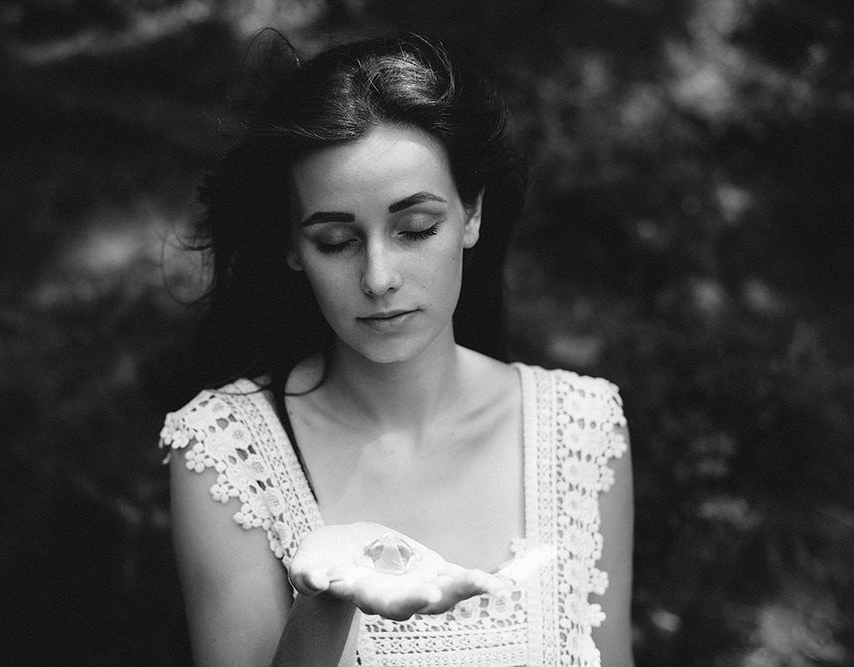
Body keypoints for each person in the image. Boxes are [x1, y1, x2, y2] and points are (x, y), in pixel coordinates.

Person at [160, 33, 633, 666]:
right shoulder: (225, 453)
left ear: (470, 215)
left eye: (415, 229)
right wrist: (327, 601)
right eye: (336, 240)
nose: (379, 277)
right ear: (292, 247)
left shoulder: (583, 426)